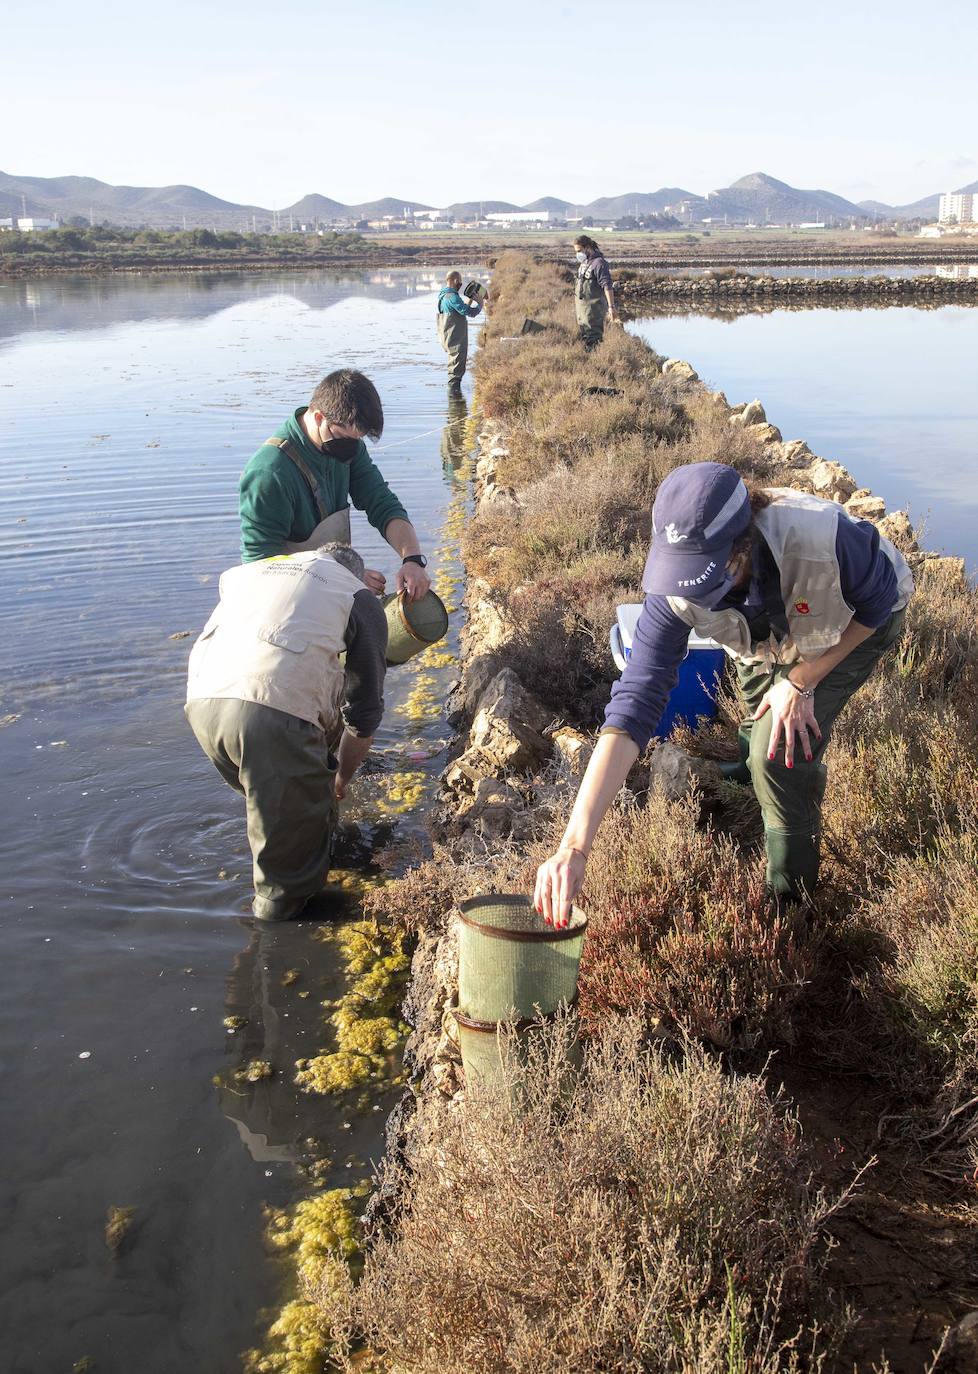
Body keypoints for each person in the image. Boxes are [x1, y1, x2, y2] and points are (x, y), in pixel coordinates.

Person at [535, 462, 914, 925]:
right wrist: (574, 845)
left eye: (706, 576)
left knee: (779, 749)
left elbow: (879, 600)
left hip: (856, 617)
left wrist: (802, 681)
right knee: (758, 704)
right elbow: (635, 700)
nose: (692, 594)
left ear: (742, 549)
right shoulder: (673, 590)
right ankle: (746, 770)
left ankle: (792, 900)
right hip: (766, 632)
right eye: (684, 575)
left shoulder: (824, 539)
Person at [185, 543, 388, 922]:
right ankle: (277, 947)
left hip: (203, 703)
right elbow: (364, 713)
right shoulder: (357, 595)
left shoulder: (254, 573)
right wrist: (341, 777)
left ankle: (305, 842)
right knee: (284, 882)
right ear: (357, 574)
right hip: (266, 717)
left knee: (277, 811)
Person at [239, 368, 431, 601]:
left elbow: (381, 501)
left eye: (358, 439)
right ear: (319, 417)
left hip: (330, 589)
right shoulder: (269, 472)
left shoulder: (348, 445)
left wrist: (412, 558)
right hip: (284, 602)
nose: (352, 447)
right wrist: (345, 579)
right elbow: (259, 568)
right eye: (344, 438)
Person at [437, 272, 485, 395]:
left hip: (448, 336)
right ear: (453, 280)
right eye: (459, 281)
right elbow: (469, 312)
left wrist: (469, 301)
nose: (461, 284)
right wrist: (480, 304)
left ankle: (455, 398)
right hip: (455, 338)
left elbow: (458, 311)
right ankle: (454, 400)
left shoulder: (443, 296)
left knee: (454, 366)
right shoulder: (452, 297)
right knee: (455, 369)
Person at [573, 235, 617, 350]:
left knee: (594, 341)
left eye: (579, 251)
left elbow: (607, 286)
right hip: (582, 312)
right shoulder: (584, 263)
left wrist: (611, 307)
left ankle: (597, 364)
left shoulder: (599, 263)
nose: (578, 254)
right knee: (585, 338)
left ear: (587, 247)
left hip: (593, 311)